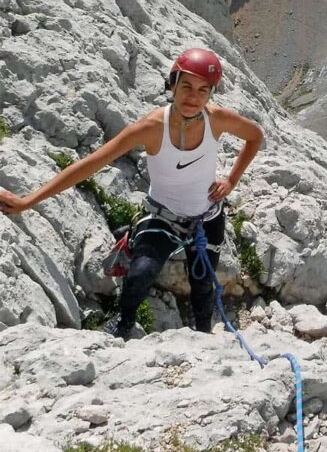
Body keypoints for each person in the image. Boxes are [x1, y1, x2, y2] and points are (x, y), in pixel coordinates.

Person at [0, 47, 264, 339]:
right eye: (186, 85)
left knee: (202, 286)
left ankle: (202, 336)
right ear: (172, 83)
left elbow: (255, 137)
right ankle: (123, 322)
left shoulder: (217, 119)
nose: (193, 96)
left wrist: (231, 180)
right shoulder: (151, 128)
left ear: (211, 94)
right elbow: (89, 165)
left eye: (204, 90)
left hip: (208, 216)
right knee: (140, 273)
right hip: (163, 217)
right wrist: (27, 202)